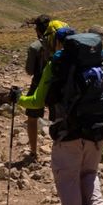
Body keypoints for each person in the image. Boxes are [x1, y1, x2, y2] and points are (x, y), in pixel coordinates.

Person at [17, 29, 103, 205]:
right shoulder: (98, 63)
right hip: (97, 130)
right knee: (89, 173)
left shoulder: (58, 65)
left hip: (68, 133)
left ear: (58, 43)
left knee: (67, 179)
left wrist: (18, 99)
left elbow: (37, 101)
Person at [22, 14, 68, 163]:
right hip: (59, 84)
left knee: (32, 117)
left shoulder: (35, 47)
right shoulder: (62, 42)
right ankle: (61, 152)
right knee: (58, 119)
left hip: (39, 83)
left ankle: (34, 152)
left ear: (37, 29)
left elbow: (29, 70)